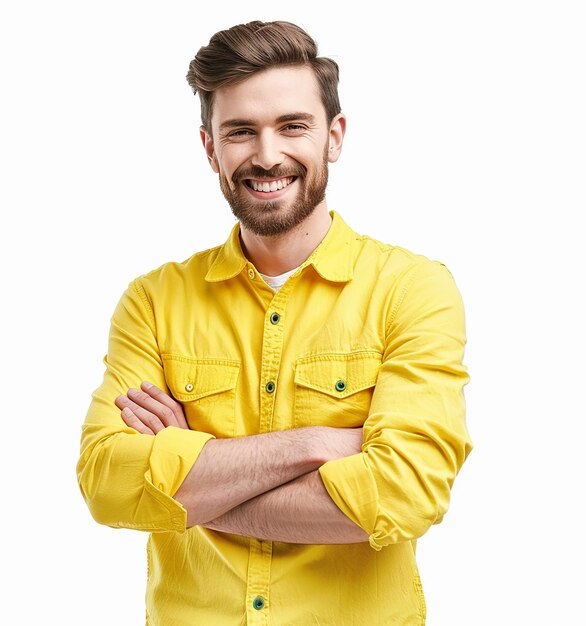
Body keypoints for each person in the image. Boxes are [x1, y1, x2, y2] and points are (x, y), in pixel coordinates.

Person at [77, 19, 472, 625]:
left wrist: (189, 481)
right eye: (240, 131)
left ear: (333, 136)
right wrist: (315, 445)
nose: (267, 156)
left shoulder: (411, 289)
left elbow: (407, 491)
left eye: (293, 126)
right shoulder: (153, 301)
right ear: (210, 147)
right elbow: (107, 483)